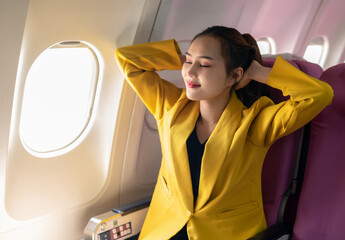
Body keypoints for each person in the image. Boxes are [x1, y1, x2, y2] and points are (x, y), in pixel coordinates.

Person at [115, 26, 333, 240]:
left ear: (234, 76)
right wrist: (183, 59)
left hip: (227, 234)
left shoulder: (255, 122)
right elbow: (127, 59)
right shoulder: (171, 106)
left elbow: (319, 94)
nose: (190, 73)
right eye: (189, 62)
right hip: (166, 230)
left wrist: (258, 71)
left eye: (205, 65)